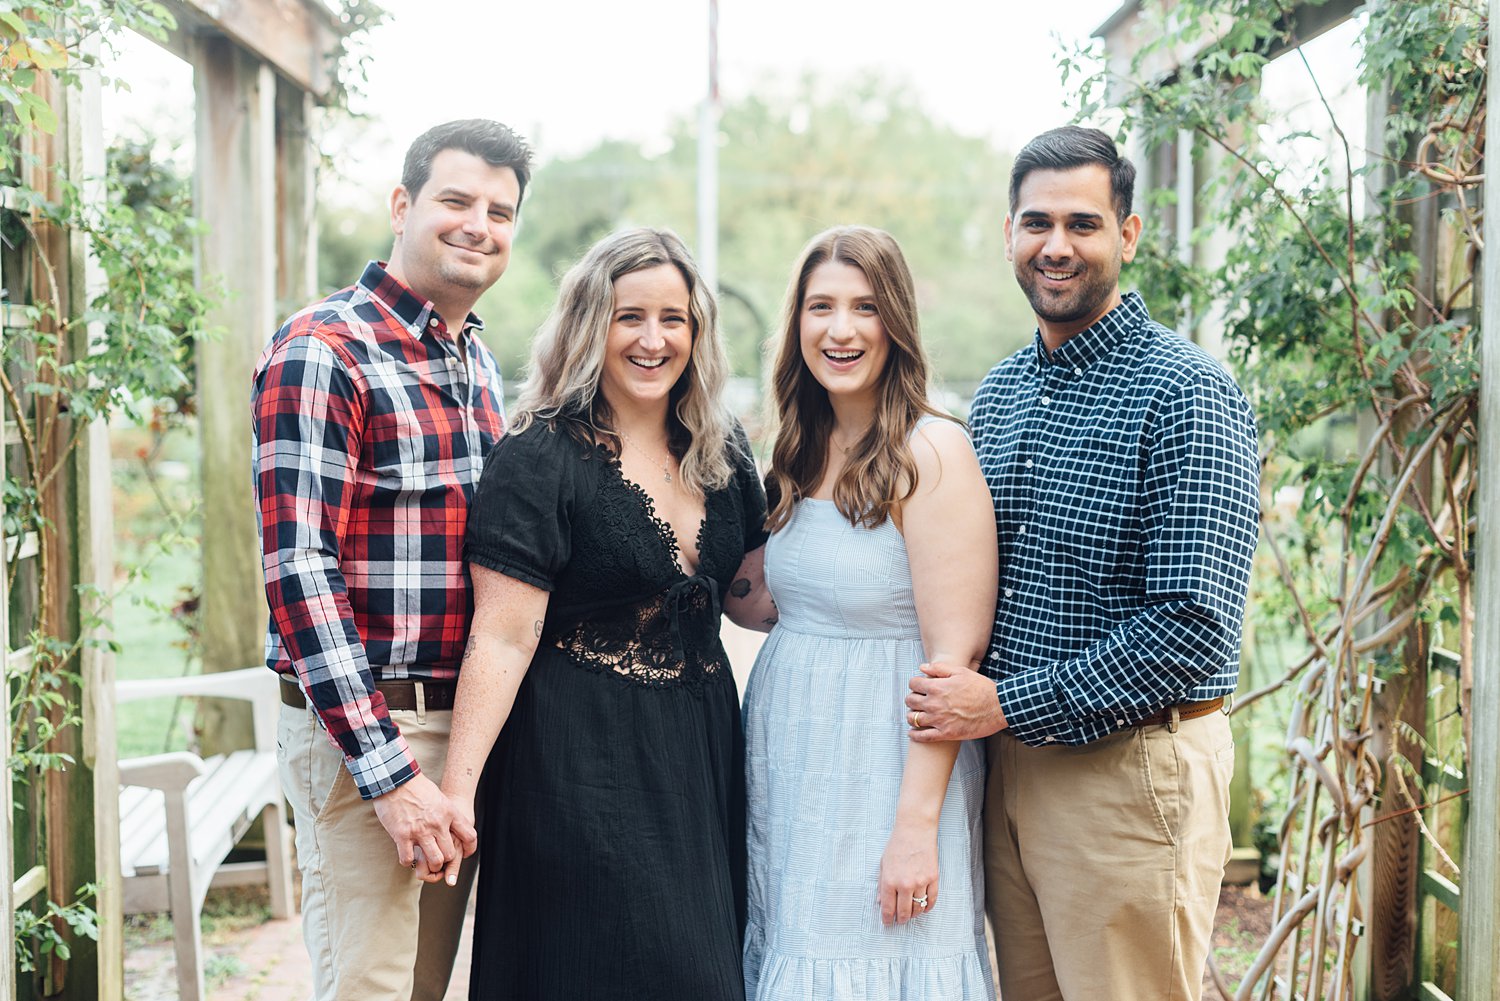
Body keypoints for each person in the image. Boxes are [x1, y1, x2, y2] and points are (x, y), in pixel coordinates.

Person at [905, 126, 1260, 1000]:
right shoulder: (1000, 392)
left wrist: (1005, 702)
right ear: (1008, 234)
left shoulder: (1184, 392)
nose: (1055, 245)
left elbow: (1194, 627)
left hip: (1130, 774)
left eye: (1083, 223)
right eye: (1035, 222)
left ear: (1127, 236)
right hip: (1009, 771)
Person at [439, 227, 769, 1000]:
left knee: (704, 967)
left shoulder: (722, 449)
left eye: (674, 318)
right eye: (630, 317)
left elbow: (754, 597)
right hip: (575, 758)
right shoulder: (540, 452)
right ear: (592, 323)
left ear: (698, 329)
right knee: (602, 967)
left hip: (697, 750)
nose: (653, 339)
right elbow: (502, 633)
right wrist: (459, 790)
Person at [252, 119, 532, 1001]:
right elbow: (298, 570)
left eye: (500, 210)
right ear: (403, 204)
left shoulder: (475, 361)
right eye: (456, 200)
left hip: (463, 737)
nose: (477, 224)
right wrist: (390, 774)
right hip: (370, 735)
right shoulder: (323, 349)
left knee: (423, 986)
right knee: (368, 988)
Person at [737, 225, 998, 999]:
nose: (840, 328)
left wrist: (915, 828)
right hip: (795, 765)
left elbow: (955, 659)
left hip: (888, 768)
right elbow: (781, 596)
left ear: (897, 324)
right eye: (821, 306)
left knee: (885, 963)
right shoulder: (796, 450)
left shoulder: (933, 449)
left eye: (864, 307)